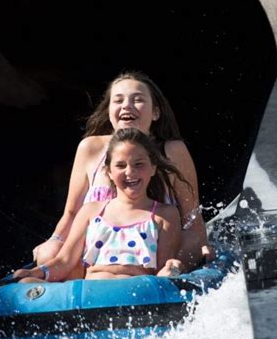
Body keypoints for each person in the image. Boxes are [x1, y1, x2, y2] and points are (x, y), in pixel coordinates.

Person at [32, 70, 211, 273]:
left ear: (156, 112)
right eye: (118, 100)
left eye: (137, 100)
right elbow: (72, 213)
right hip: (99, 254)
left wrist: (198, 248)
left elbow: (192, 217)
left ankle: (168, 275)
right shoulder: (90, 148)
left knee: (191, 242)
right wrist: (53, 241)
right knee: (48, 253)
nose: (127, 105)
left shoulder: (172, 150)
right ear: (109, 111)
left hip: (154, 252)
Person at [14, 129, 185, 282]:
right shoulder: (91, 211)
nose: (130, 172)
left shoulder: (165, 215)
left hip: (136, 291)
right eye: (120, 165)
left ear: (153, 168)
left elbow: (161, 270)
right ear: (109, 172)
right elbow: (65, 262)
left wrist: (170, 269)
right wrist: (36, 273)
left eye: (139, 164)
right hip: (93, 292)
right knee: (26, 284)